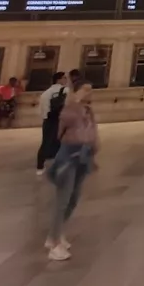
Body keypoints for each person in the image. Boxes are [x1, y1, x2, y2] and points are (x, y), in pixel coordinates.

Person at [45, 83, 99, 261]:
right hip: (68, 156)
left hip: (83, 156)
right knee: (63, 200)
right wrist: (75, 101)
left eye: (91, 90)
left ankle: (58, 233)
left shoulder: (88, 111)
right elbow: (60, 133)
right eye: (86, 89)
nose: (90, 92)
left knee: (74, 198)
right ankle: (53, 243)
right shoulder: (69, 110)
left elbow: (92, 132)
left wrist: (93, 152)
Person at [36, 71, 70, 176]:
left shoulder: (46, 93)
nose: (66, 80)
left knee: (46, 142)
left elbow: (42, 110)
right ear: (58, 79)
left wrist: (47, 118)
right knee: (62, 142)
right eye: (64, 78)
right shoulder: (66, 90)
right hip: (61, 120)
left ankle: (40, 166)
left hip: (49, 120)